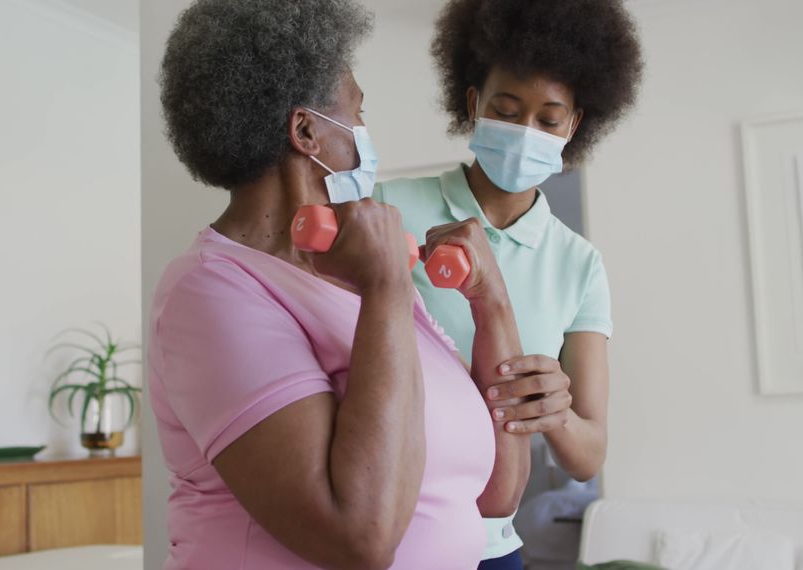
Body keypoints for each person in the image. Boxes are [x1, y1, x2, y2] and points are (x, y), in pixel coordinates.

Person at [148, 0, 545, 567]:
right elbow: (359, 536)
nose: (364, 134)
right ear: (306, 131)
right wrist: (386, 290)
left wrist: (492, 303)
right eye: (358, 114)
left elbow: (496, 493)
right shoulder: (210, 292)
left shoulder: (362, 276)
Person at [374, 0, 645, 567]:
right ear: (474, 103)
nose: (526, 131)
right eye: (507, 108)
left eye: (548, 120)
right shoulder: (388, 208)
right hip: (390, 537)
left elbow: (588, 455)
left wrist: (557, 411)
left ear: (573, 127)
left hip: (496, 549)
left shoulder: (579, 264)